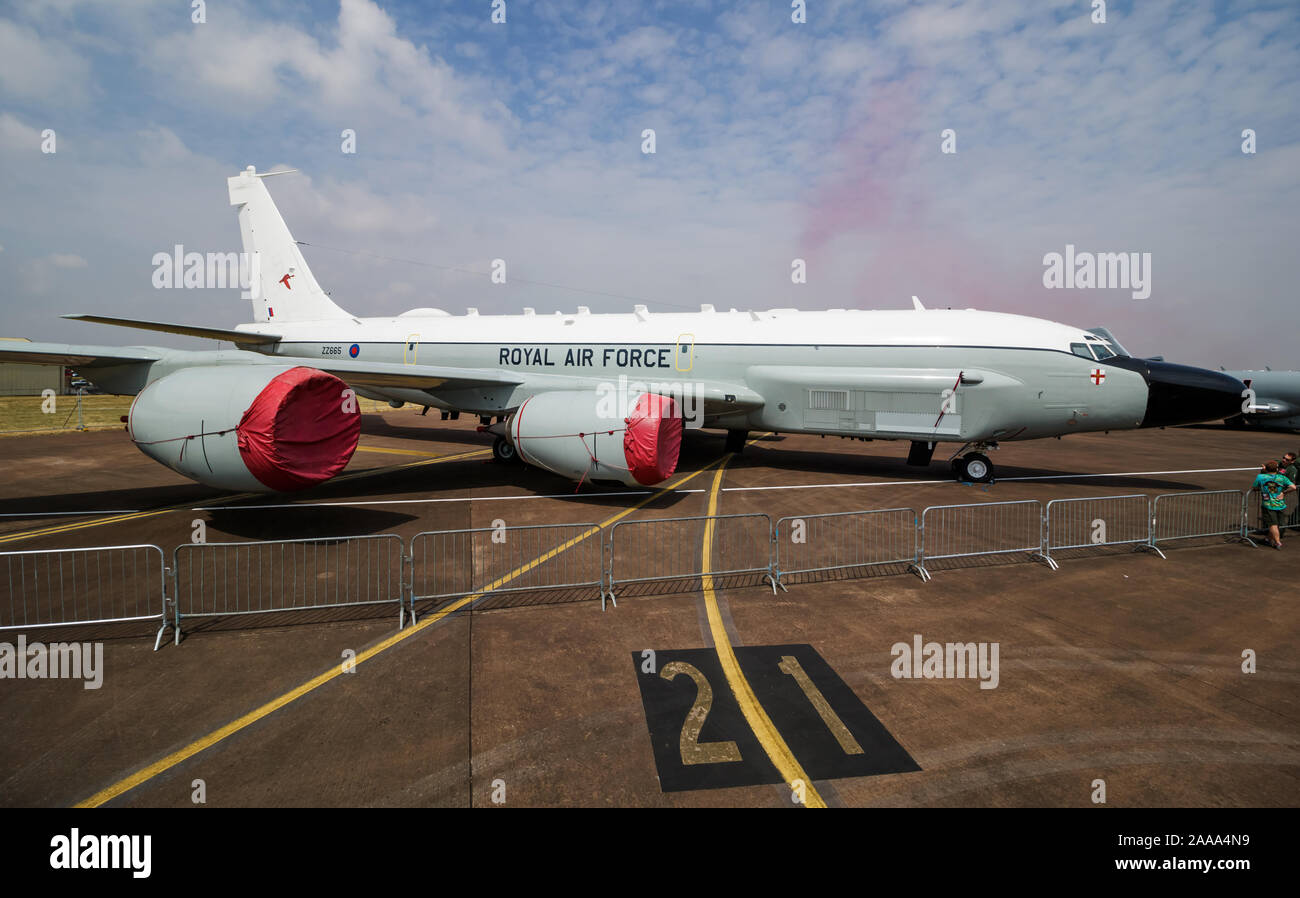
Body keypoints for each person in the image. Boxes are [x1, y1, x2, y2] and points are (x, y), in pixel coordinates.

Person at [1253, 460, 1297, 549]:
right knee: (1276, 524)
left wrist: (1263, 472)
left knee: (1273, 525)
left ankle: (1277, 542)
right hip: (1280, 504)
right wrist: (1283, 493)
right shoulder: (1282, 478)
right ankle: (1267, 539)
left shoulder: (1261, 477)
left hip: (1268, 504)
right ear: (1277, 469)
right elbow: (1293, 487)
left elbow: (1255, 487)